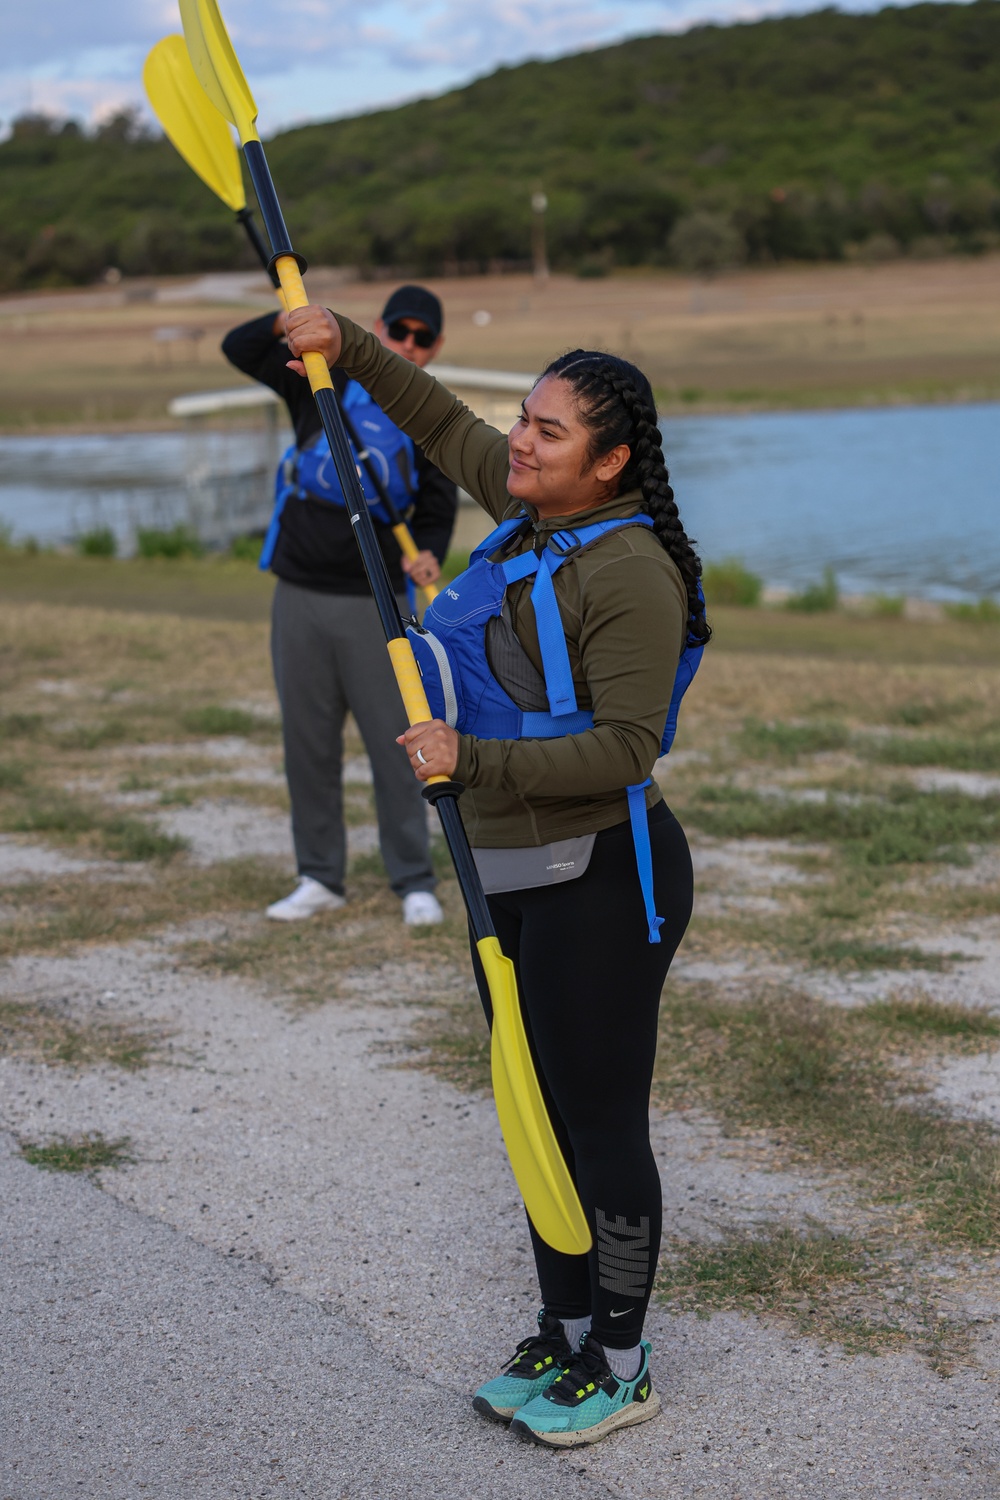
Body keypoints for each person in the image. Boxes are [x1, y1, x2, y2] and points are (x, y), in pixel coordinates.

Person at [282, 299, 709, 1448]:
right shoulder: (522, 515)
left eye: (551, 433)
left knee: (596, 1120)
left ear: (610, 461)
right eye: (525, 419)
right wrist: (344, 345)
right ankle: (563, 1329)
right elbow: (436, 417)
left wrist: (470, 757)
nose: (520, 442)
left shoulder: (631, 573)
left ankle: (620, 1359)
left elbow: (629, 746)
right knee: (532, 1105)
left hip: (604, 874)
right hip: (506, 869)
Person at [222, 286, 458, 925]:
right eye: (399, 331)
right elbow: (237, 348)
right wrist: (289, 318)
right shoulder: (319, 382)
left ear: (434, 346)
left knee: (398, 746)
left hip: (376, 603)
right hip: (298, 590)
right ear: (378, 328)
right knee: (309, 743)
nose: (408, 343)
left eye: (422, 337)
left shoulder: (425, 412)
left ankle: (414, 880)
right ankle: (319, 876)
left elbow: (435, 510)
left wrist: (430, 553)